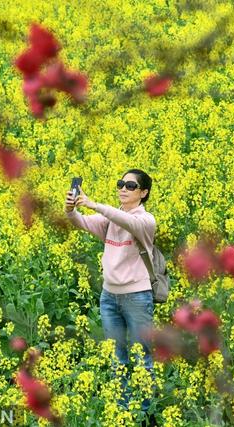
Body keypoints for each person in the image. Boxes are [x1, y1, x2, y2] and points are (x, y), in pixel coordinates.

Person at [64, 169, 158, 425]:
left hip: (137, 298)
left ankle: (146, 415)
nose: (123, 188)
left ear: (143, 193)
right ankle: (122, 411)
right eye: (121, 184)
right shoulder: (110, 220)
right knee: (117, 358)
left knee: (142, 358)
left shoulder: (146, 221)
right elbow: (80, 222)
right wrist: (72, 209)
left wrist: (95, 204)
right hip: (109, 298)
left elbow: (128, 222)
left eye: (130, 185)